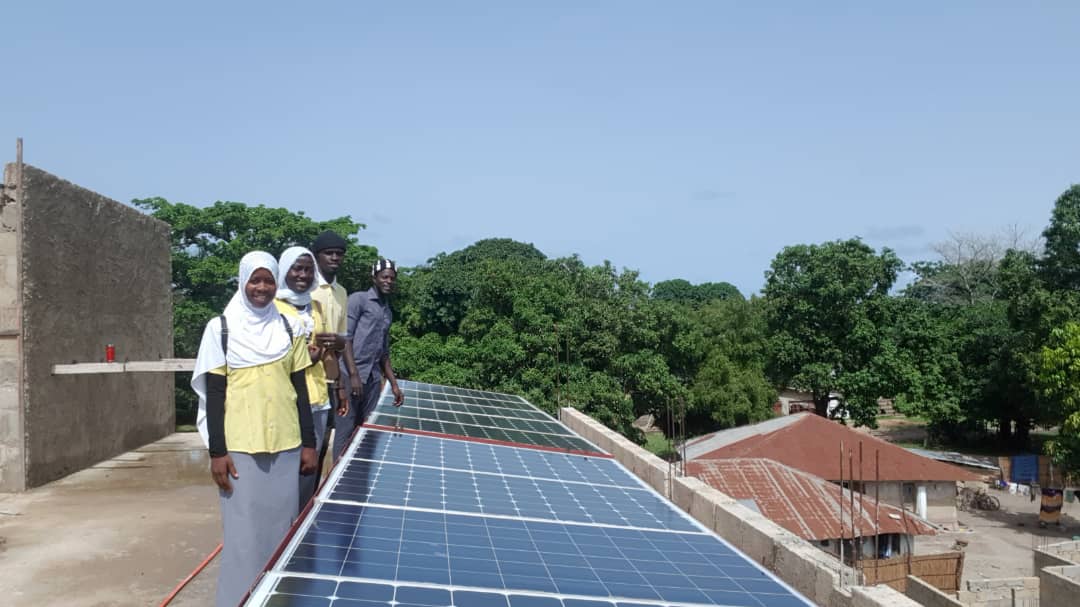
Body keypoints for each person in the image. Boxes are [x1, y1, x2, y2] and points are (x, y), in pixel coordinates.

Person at [191, 251, 317, 607]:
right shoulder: (221, 329)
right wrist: (217, 452)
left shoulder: (288, 326)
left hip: (286, 445)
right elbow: (215, 395)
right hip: (240, 449)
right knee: (243, 539)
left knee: (282, 534)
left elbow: (300, 388)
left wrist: (309, 444)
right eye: (255, 280)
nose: (262, 287)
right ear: (242, 282)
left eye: (268, 280)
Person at [274, 246, 348, 510]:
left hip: (317, 395)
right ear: (284, 271)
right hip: (287, 397)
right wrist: (305, 358)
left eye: (307, 270)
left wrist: (338, 384)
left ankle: (301, 518)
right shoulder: (273, 307)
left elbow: (328, 350)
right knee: (286, 463)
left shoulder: (315, 306)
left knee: (310, 462)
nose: (303, 275)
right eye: (297, 269)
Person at [333, 258, 405, 461]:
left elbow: (383, 352)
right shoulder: (359, 300)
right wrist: (354, 375)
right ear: (374, 278)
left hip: (372, 380)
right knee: (345, 431)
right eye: (384, 277)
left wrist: (394, 384)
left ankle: (355, 472)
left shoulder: (387, 311)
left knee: (365, 431)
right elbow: (345, 338)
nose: (388, 281)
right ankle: (336, 473)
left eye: (392, 278)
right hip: (350, 376)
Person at [309, 231, 359, 459]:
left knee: (323, 443)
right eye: (329, 253)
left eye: (339, 254)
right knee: (307, 444)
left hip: (330, 376)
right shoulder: (306, 288)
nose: (334, 258)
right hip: (306, 375)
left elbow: (342, 338)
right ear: (316, 256)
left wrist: (342, 384)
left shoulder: (341, 293)